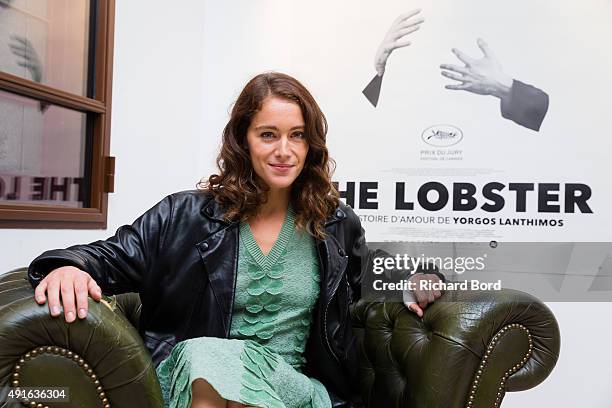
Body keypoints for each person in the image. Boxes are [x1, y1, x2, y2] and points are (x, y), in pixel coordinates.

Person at [27, 72, 443, 408]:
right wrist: (67, 266)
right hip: (197, 381)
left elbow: (369, 275)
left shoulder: (335, 223)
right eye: (268, 134)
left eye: (297, 135)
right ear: (243, 139)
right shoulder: (184, 215)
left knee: (212, 362)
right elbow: (107, 257)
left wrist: (423, 277)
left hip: (290, 388)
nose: (285, 150)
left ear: (311, 143)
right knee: (206, 355)